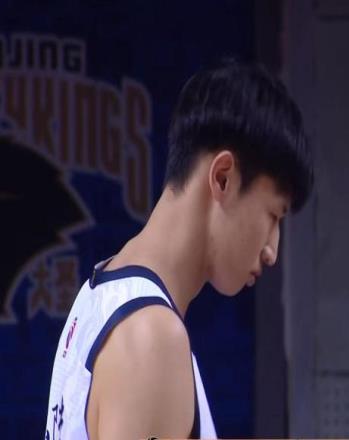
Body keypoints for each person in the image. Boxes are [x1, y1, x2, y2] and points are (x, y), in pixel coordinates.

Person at [45, 60, 314, 440]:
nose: (272, 250)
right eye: (274, 215)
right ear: (223, 177)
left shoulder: (100, 291)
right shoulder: (152, 336)